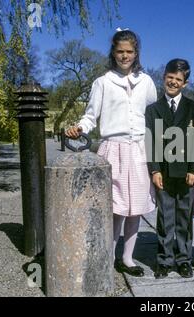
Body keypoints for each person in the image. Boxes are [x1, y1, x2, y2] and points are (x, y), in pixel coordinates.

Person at [66, 29, 157, 277]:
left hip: (139, 149)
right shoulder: (103, 82)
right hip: (112, 149)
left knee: (135, 207)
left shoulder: (146, 82)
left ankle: (127, 259)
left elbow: (153, 116)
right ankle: (108, 255)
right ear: (113, 52)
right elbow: (90, 116)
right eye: (120, 51)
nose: (125, 56)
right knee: (114, 206)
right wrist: (79, 128)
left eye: (129, 51)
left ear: (136, 52)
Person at [145, 59, 194, 279]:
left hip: (186, 173)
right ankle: (164, 260)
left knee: (184, 218)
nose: (173, 82)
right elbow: (150, 141)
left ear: (185, 83)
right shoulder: (153, 110)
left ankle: (184, 260)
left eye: (178, 79)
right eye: (170, 77)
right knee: (165, 217)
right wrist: (155, 170)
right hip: (164, 172)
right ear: (164, 77)